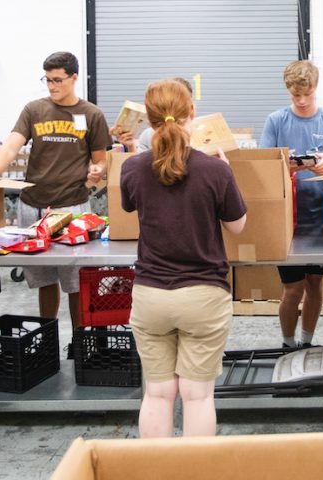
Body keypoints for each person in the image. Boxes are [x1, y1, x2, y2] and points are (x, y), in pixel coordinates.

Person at [121, 79, 247, 437]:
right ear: (193, 113)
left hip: (151, 295)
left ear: (148, 120)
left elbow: (132, 204)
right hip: (204, 296)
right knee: (197, 396)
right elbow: (238, 226)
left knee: (158, 395)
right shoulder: (215, 170)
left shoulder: (133, 168)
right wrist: (227, 174)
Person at [0, 51, 110, 335]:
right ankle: (47, 338)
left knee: (76, 281)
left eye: (58, 80)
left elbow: (101, 160)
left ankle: (79, 340)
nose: (52, 86)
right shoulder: (33, 110)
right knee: (44, 279)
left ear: (74, 78)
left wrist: (97, 170)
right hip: (32, 207)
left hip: (72, 208)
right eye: (47, 80)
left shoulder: (91, 114)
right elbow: (11, 147)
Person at [259, 60, 323, 348]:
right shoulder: (276, 121)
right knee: (292, 288)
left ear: (316, 88)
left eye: (308, 94)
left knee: (315, 284)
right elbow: (264, 167)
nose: (302, 101)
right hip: (287, 219)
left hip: (321, 218)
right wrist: (287, 167)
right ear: (288, 92)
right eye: (295, 96)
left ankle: (307, 342)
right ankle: (287, 344)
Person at [112, 77, 194, 153]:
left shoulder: (203, 134)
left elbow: (137, 165)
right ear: (191, 109)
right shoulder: (147, 136)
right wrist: (130, 146)